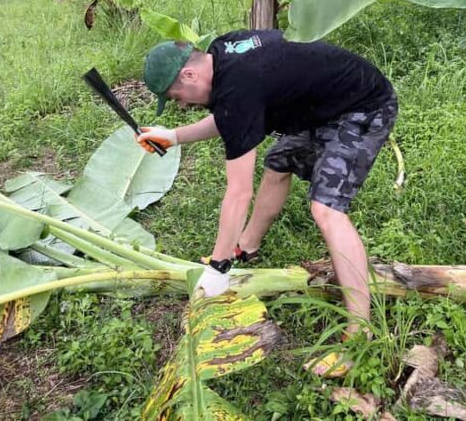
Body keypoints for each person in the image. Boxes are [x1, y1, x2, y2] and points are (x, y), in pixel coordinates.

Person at [136, 29, 397, 373]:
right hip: (321, 106)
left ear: (189, 74)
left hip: (362, 107)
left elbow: (238, 192)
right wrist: (173, 137)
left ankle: (361, 332)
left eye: (177, 97)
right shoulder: (222, 51)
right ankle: (246, 246)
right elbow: (234, 113)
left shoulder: (237, 88)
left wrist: (217, 268)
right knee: (279, 162)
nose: (182, 105)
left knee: (326, 209)